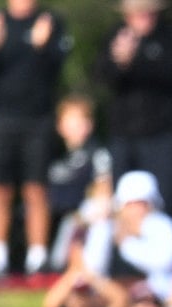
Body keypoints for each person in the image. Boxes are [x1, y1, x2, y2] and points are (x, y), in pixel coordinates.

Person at [0, 0, 71, 274]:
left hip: (38, 119)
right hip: (1, 118)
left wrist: (43, 47)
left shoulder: (50, 22)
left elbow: (58, 66)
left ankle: (38, 257)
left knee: (36, 188)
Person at [97, 0, 172, 210]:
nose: (143, 18)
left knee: (163, 199)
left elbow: (170, 73)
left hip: (161, 134)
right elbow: (102, 76)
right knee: (122, 202)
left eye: (147, 13)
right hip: (124, 133)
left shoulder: (171, 37)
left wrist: (134, 60)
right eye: (137, 13)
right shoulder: (115, 36)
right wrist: (120, 63)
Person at [82, 170, 172, 300]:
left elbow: (164, 260)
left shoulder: (163, 226)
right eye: (130, 205)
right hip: (112, 294)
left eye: (141, 204)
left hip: (156, 296)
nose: (136, 210)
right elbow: (93, 266)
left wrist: (126, 243)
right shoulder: (107, 227)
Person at [46, 94, 113, 270]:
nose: (75, 128)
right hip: (60, 216)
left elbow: (103, 189)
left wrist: (82, 217)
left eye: (80, 122)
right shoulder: (55, 156)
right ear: (60, 126)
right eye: (70, 122)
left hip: (84, 217)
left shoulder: (97, 153)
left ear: (89, 125)